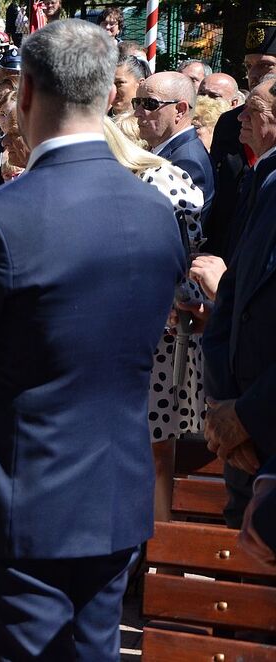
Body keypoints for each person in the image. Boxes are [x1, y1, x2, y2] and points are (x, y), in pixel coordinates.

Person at [0, 20, 185, 660]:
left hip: (21, 500)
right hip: (117, 494)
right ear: (108, 96)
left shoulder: (0, 219)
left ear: (27, 93)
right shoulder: (156, 210)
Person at [105, 115, 207, 523]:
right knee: (144, 448)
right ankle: (147, 559)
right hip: (138, 329)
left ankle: (157, 561)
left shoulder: (157, 180)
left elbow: (180, 253)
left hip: (158, 332)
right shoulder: (134, 180)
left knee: (155, 448)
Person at [198, 75, 276, 529]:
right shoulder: (261, 179)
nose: (239, 118)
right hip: (244, 437)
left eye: (255, 110)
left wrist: (247, 417)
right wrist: (225, 412)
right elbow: (232, 306)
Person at [202, 20, 276, 260]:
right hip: (227, 248)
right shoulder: (229, 122)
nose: (254, 75)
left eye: (265, 65)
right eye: (249, 65)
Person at [135, 71, 215, 219]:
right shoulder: (173, 150)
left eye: (149, 104)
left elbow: (175, 229)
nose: (137, 113)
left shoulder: (186, 162)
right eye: (136, 103)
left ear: (180, 110)